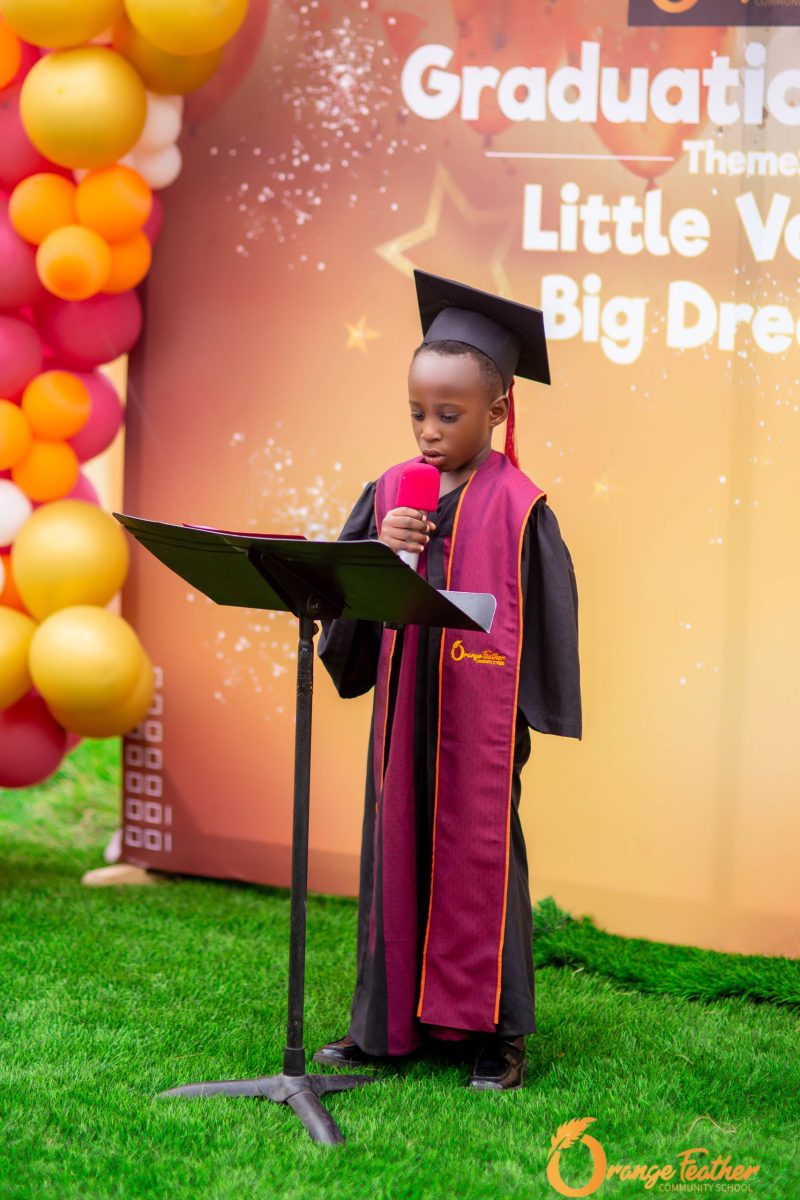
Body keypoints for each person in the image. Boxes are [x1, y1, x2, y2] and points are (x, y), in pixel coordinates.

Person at [314, 269, 582, 1090]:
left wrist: (522, 718)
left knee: (480, 853)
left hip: (477, 714)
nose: (429, 432)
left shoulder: (521, 506)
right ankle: (384, 1026)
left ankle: (497, 1034)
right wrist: (381, 550)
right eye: (417, 413)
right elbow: (346, 600)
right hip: (405, 708)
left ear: (497, 411)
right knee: (393, 845)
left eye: (450, 415)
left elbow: (546, 615)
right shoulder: (392, 491)